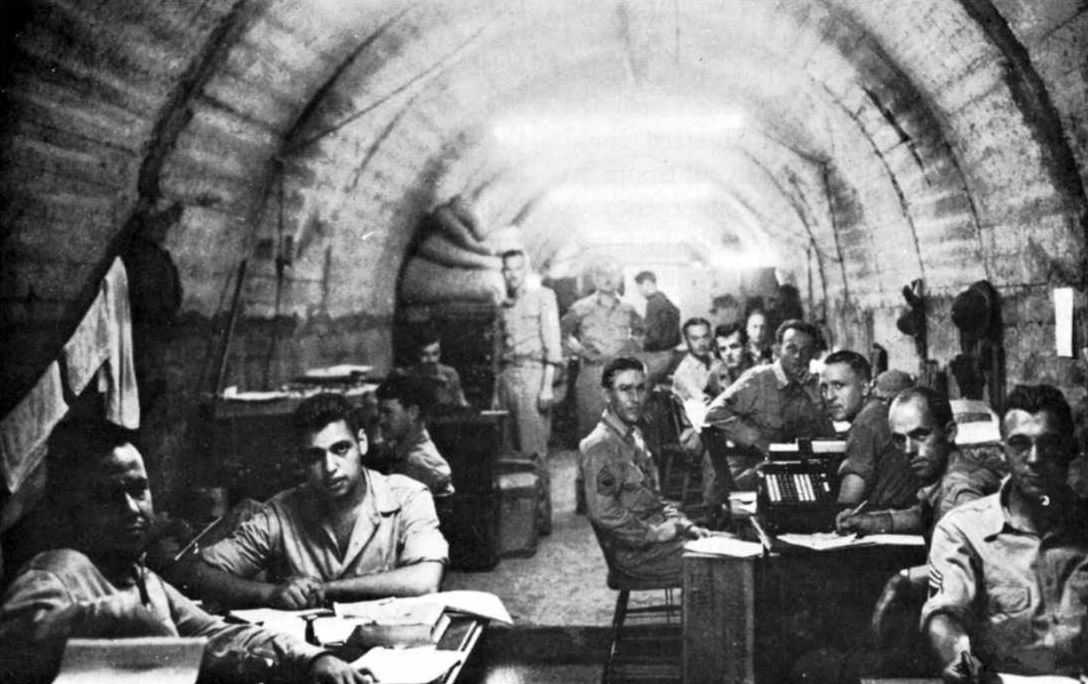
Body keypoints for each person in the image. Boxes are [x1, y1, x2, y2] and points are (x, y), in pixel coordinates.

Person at [0, 420, 366, 684]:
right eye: (109, 497)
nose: (132, 509)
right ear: (73, 508)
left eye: (138, 489)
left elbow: (217, 634)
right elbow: (12, 650)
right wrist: (119, 614)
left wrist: (313, 658)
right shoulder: (57, 572)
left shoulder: (141, 577)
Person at [191, 393, 447, 609]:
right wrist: (270, 593)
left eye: (340, 449)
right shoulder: (281, 512)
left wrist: (327, 590)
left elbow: (425, 580)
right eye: (315, 456)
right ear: (301, 461)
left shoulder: (408, 497)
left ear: (362, 443)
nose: (330, 468)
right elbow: (198, 573)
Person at [922, 384, 1088, 680]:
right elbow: (945, 617)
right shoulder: (964, 530)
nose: (1035, 458)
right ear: (1003, 453)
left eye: (1049, 444)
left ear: (1070, 450)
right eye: (1020, 445)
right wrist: (965, 666)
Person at [581, 357, 711, 583]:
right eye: (625, 389)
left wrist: (682, 523)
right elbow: (604, 513)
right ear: (606, 395)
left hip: (659, 540)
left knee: (735, 547)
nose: (635, 399)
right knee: (730, 566)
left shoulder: (634, 436)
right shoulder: (601, 446)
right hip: (637, 555)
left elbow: (654, 498)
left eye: (640, 389)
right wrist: (655, 534)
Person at [835, 387, 1003, 538]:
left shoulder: (961, 491)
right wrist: (869, 521)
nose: (909, 449)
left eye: (920, 435)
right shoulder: (947, 479)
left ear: (950, 432)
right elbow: (924, 516)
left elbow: (959, 569)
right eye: (900, 439)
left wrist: (907, 574)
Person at [705, 319, 835, 487]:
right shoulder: (758, 379)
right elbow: (714, 413)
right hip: (750, 470)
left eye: (805, 351)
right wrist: (756, 440)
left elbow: (827, 436)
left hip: (786, 468)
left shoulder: (809, 385)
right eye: (791, 348)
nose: (798, 356)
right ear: (777, 349)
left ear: (812, 355)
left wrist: (814, 396)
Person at [562, 258, 646, 440]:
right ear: (594, 278)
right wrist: (581, 351)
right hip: (592, 375)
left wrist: (629, 349)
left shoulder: (629, 308)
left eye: (613, 274)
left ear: (620, 277)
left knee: (623, 426)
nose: (608, 279)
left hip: (620, 374)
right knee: (591, 429)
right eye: (602, 274)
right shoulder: (580, 307)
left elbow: (641, 333)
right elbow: (563, 334)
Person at [822, 355, 919, 510]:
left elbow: (848, 501)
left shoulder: (864, 424)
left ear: (865, 388)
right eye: (824, 388)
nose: (829, 396)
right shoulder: (881, 413)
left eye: (838, 386)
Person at [494, 249, 563, 461]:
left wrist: (546, 387)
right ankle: (517, 495)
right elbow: (497, 353)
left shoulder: (544, 297)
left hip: (533, 377)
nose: (513, 274)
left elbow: (553, 344)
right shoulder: (503, 305)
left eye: (518, 268)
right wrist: (495, 394)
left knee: (533, 447)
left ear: (527, 270)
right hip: (507, 378)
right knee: (507, 449)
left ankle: (540, 494)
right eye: (507, 269)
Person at [376, 374, 454, 497]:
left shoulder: (419, 465)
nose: (381, 420)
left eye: (387, 412)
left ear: (413, 413)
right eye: (379, 412)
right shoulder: (397, 449)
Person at [407, 331, 469, 409]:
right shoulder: (409, 375)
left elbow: (462, 403)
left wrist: (447, 388)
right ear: (417, 355)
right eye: (425, 354)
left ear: (440, 353)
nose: (431, 359)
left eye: (435, 353)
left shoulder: (450, 373)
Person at [634, 270, 681, 353]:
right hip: (672, 349)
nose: (639, 291)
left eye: (639, 287)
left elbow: (654, 336)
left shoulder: (653, 303)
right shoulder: (664, 299)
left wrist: (641, 345)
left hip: (660, 353)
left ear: (647, 284)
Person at [713, 322, 755, 387]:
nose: (728, 353)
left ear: (747, 347)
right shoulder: (716, 377)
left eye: (734, 347)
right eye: (723, 349)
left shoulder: (761, 371)